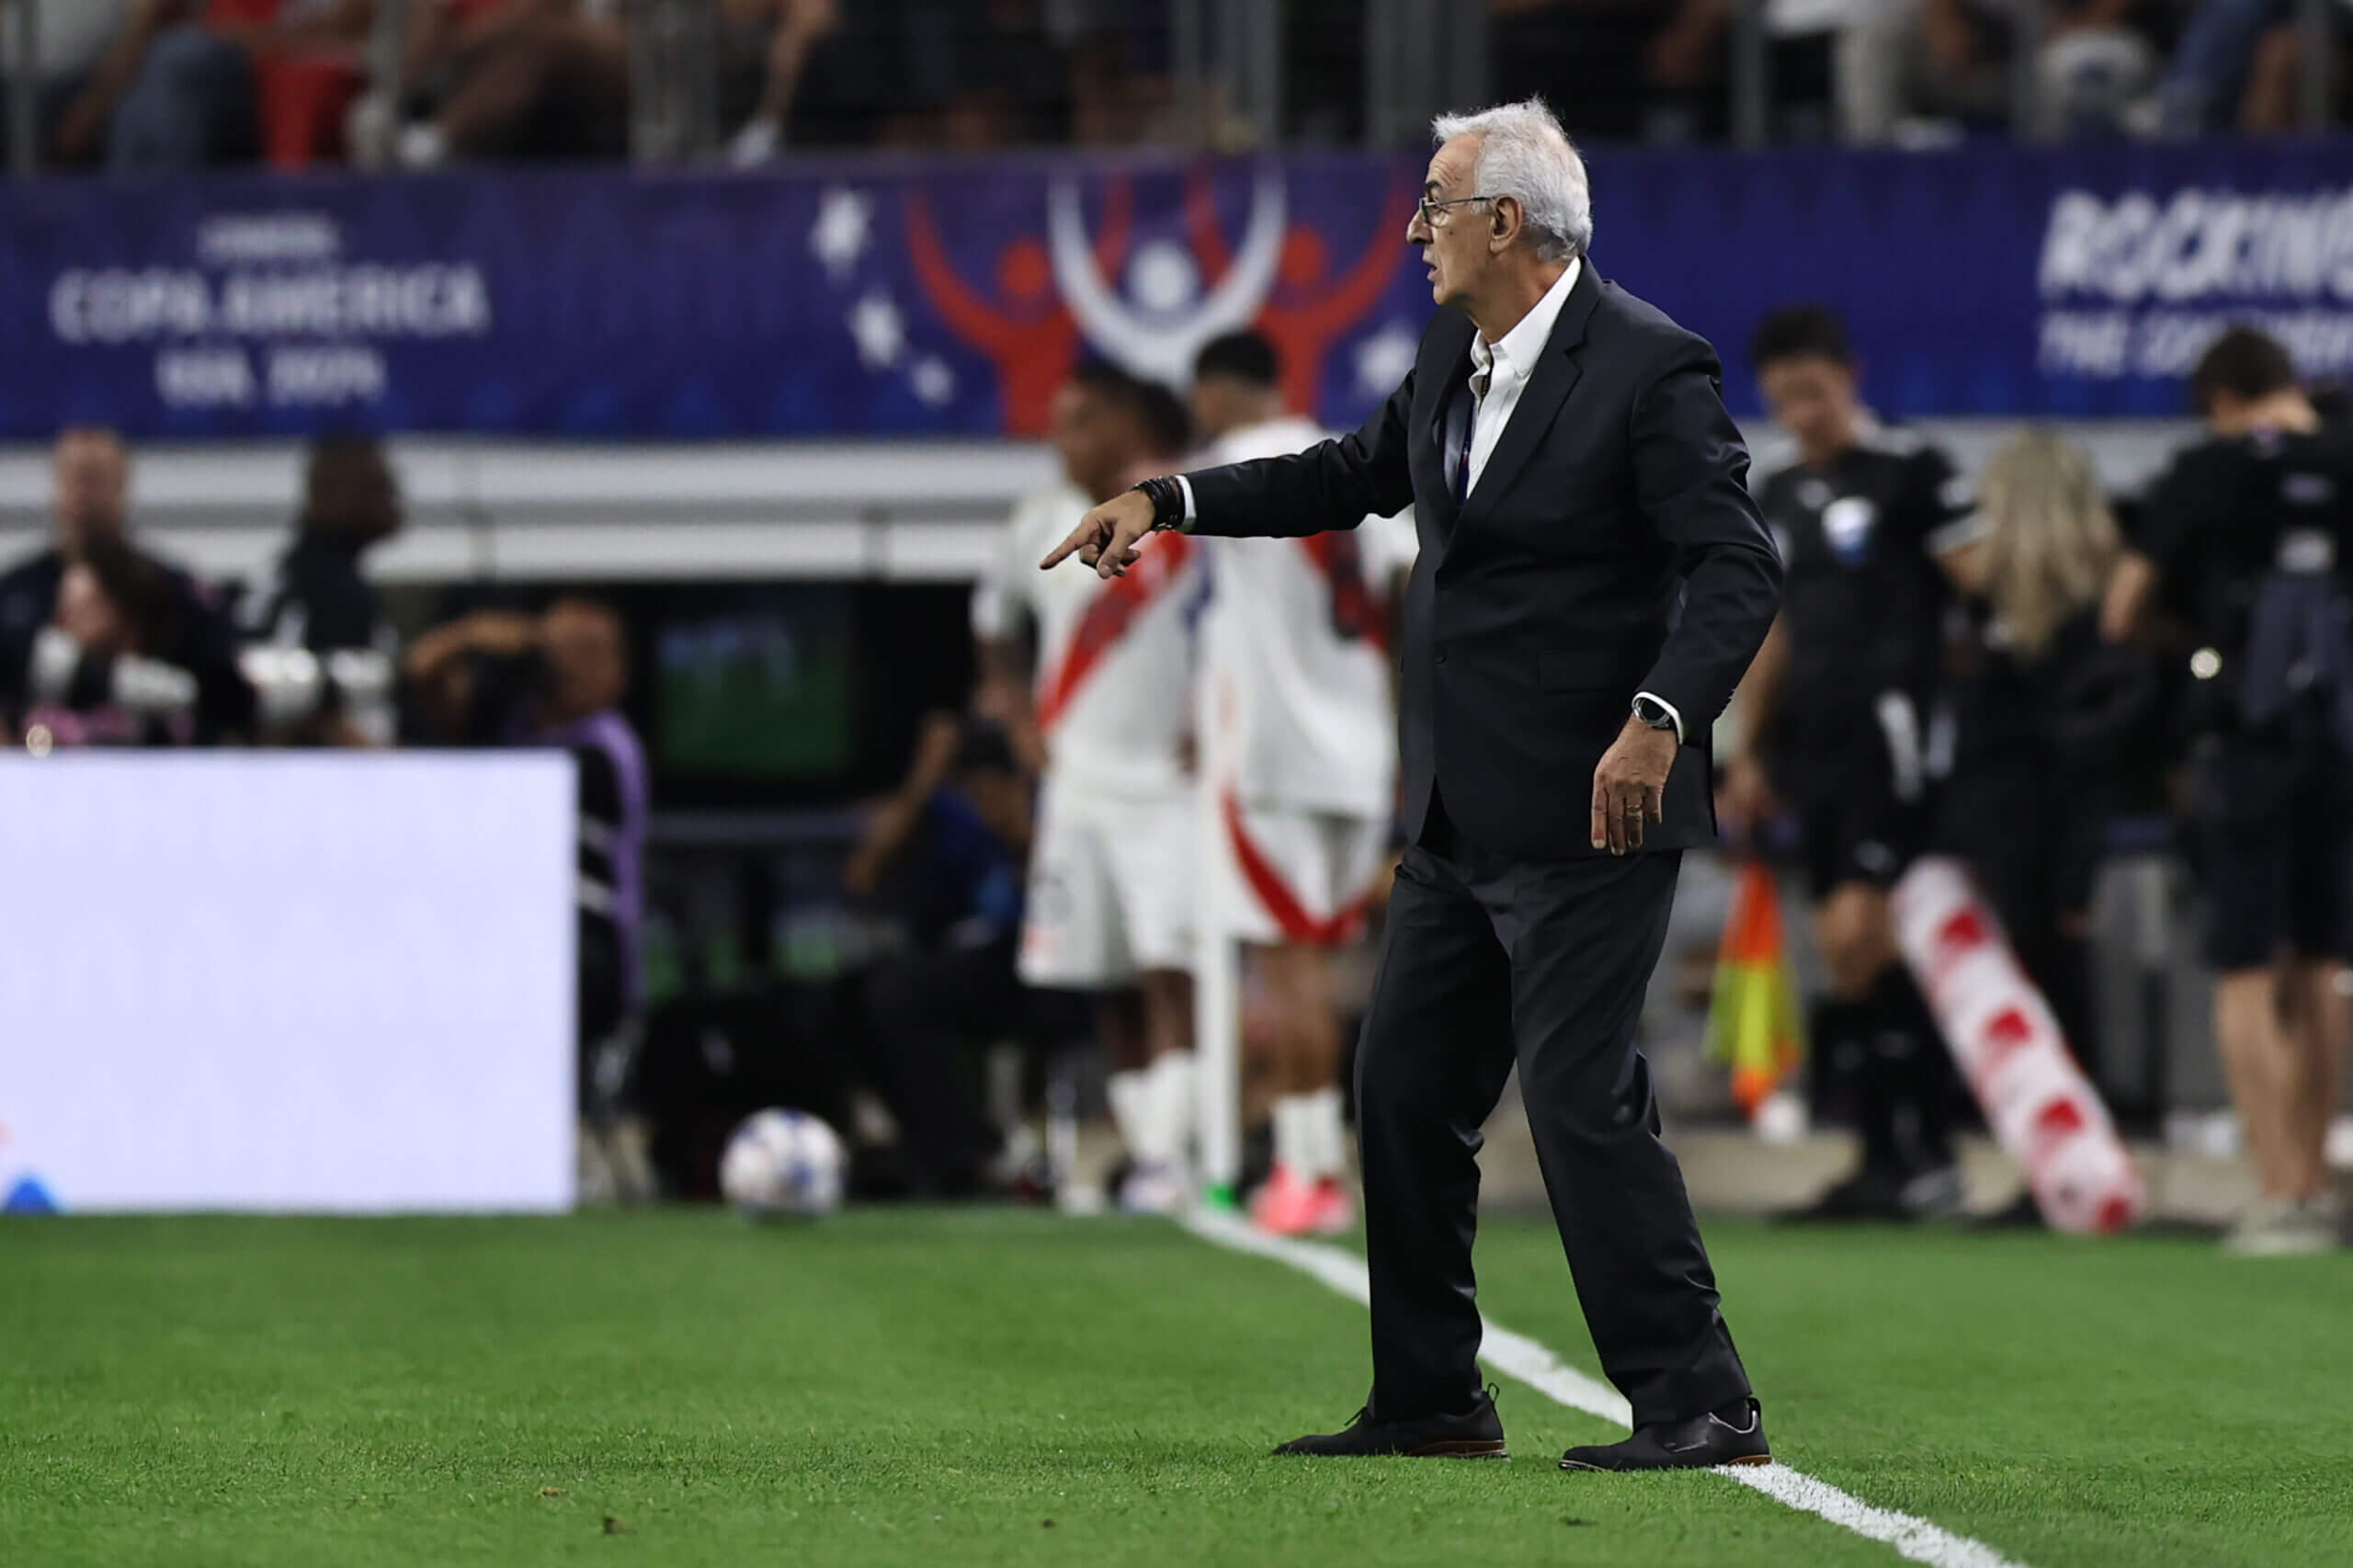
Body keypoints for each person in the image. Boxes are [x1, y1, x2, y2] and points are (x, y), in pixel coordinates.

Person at [1047, 97, 1781, 1469]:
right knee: (1397, 1092)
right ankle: (1435, 1397)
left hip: (1594, 809)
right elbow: (1353, 473)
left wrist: (1662, 715)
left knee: (1575, 1098)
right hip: (1457, 815)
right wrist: (1173, 500)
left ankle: (1701, 1397)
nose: (1414, 232)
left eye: (1434, 206)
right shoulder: (1456, 348)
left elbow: (1740, 562)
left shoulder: (1649, 364)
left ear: (1506, 220)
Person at [2101, 325, 2353, 1256]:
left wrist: (2194, 642)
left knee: (2247, 966)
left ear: (2217, 398)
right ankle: (2319, 1183)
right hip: (2337, 741)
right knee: (2325, 962)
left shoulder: (2203, 472)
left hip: (2242, 744)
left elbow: (2122, 608)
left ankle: (2276, 1190)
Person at [1724, 305, 1977, 1224]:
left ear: (1848, 376)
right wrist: (1746, 747)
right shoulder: (1781, 493)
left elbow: (1978, 589)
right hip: (1815, 747)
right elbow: (1774, 630)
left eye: (1813, 393)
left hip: (1892, 737)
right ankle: (1894, 1155)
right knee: (1848, 952)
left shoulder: (1914, 471)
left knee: (1859, 932)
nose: (1800, 413)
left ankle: (1921, 1148)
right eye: (1783, 398)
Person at [1187, 329, 1415, 1238]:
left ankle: (1306, 1168)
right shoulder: (1352, 464)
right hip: (1360, 752)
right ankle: (1317, 1164)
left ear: (1210, 393)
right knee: (1317, 966)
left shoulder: (1232, 462)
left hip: (1275, 753)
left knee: (1289, 971)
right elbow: (1407, 591)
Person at [973, 362, 1201, 1216]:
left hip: (1168, 790)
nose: (1057, 442)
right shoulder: (1036, 521)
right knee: (1106, 981)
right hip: (1078, 791)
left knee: (1170, 970)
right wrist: (1028, 741)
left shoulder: (1187, 515)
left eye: (1075, 424)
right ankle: (1151, 1156)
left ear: (1123, 426)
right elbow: (993, 634)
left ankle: (1187, 1151)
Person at [404, 597, 652, 1195]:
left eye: (583, 653)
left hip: (590, 948)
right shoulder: (514, 725)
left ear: (616, 673)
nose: (562, 666)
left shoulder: (604, 749)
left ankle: (597, 1157)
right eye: (553, 649)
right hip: (506, 940)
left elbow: (507, 801)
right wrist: (468, 636)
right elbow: (419, 676)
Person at [1938, 431, 2154, 1083]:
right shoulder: (2110, 611)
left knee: (2018, 988)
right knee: (2055, 981)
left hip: (2011, 827)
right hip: (2064, 827)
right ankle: (2074, 1142)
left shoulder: (1978, 617)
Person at [845, 712, 1057, 1197]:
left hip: (1032, 961)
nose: (982, 803)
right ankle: (927, 1146)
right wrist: (922, 781)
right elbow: (862, 874)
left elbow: (1054, 888)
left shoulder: (1044, 804)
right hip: (954, 956)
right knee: (849, 999)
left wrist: (1018, 819)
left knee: (901, 994)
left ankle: (964, 1161)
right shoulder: (947, 810)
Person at [0, 427, 253, 743]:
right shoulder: (13, 592)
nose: (84, 494)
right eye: (75, 478)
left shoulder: (166, 589)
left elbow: (228, 693)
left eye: (95, 479)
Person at [239, 434, 403, 745]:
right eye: (377, 484)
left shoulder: (304, 571)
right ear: (333, 491)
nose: (394, 494)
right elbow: (295, 710)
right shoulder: (322, 587)